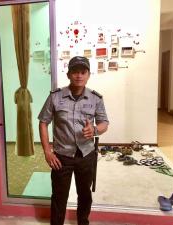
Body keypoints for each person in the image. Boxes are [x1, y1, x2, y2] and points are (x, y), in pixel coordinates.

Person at [38, 56, 109, 225]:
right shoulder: (55, 97)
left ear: (88, 75)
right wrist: (47, 151)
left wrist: (95, 130)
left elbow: (104, 122)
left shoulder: (95, 98)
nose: (79, 76)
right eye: (75, 72)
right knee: (59, 198)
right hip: (62, 156)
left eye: (83, 72)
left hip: (86, 155)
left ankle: (82, 222)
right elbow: (43, 122)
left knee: (85, 195)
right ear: (68, 74)